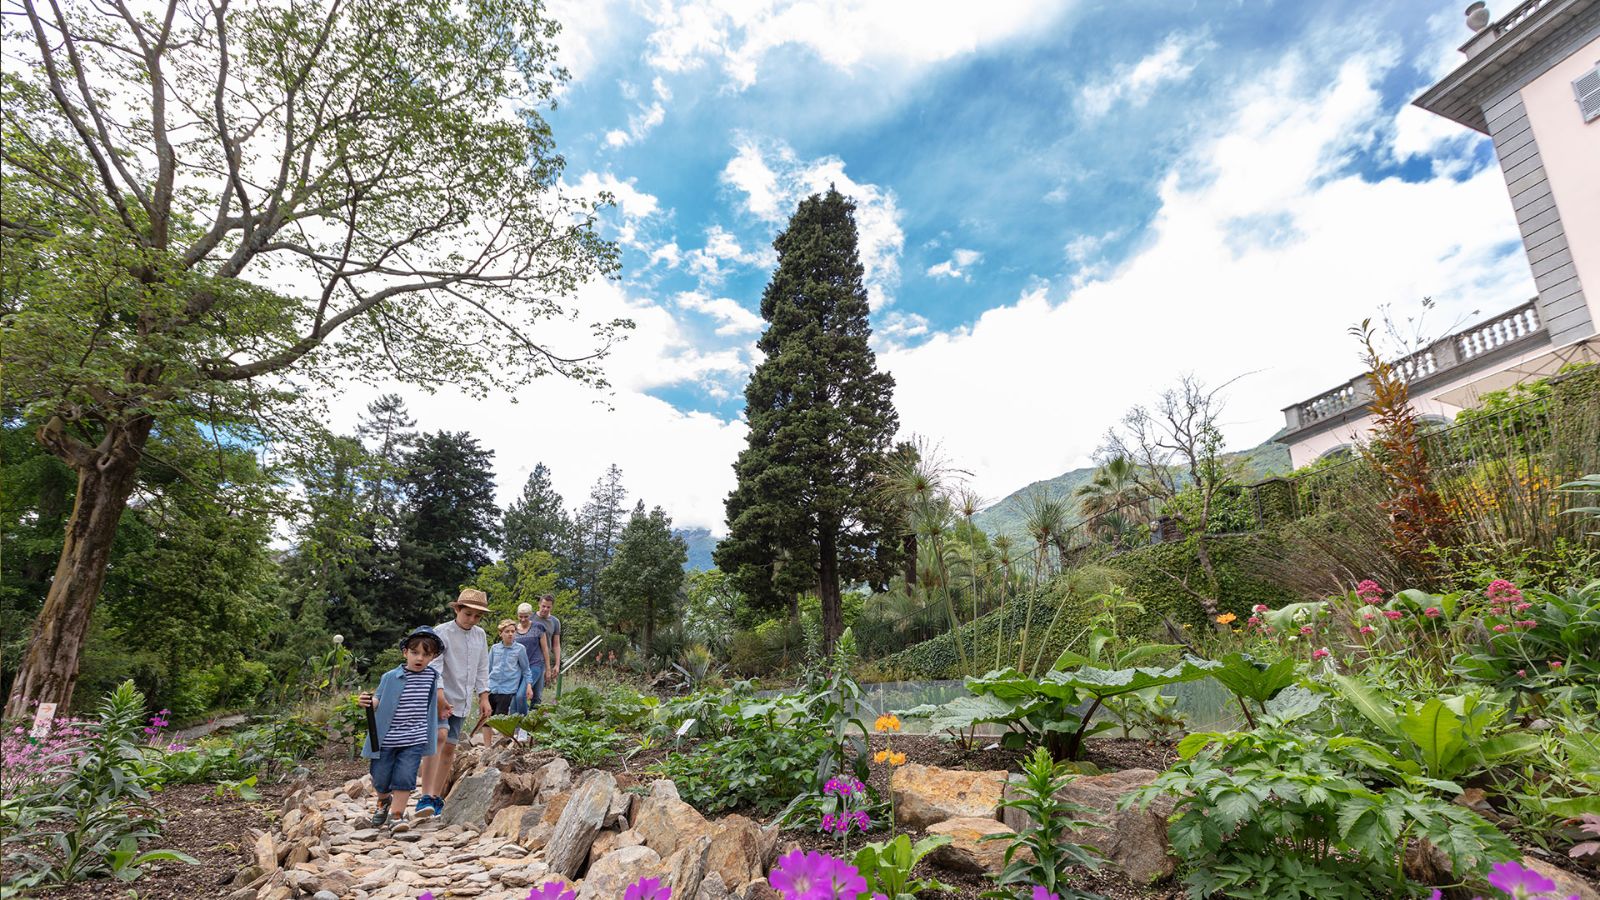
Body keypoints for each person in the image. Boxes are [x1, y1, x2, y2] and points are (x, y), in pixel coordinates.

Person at [413, 589, 491, 819]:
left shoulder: (480, 635)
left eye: (477, 616)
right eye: (468, 614)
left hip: (462, 699)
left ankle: (436, 797)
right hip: (441, 696)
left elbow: (482, 667)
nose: (472, 619)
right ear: (457, 609)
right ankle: (425, 796)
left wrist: (483, 696)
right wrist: (439, 698)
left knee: (450, 747)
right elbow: (434, 667)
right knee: (438, 738)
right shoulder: (442, 633)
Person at [358, 626, 444, 832]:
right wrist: (369, 702)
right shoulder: (390, 676)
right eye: (415, 652)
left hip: (414, 738)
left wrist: (444, 710)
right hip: (387, 738)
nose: (419, 658)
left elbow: (433, 702)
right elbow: (378, 699)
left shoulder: (432, 677)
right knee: (380, 777)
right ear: (405, 652)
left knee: (405, 777)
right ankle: (383, 801)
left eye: (426, 654)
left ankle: (397, 815)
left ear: (433, 657)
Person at [485, 619, 530, 741]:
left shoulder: (520, 649)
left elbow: (526, 669)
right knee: (486, 718)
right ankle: (487, 747)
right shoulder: (494, 648)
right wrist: (483, 687)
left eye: (513, 631)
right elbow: (488, 668)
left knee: (501, 718)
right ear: (501, 633)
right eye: (507, 631)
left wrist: (529, 686)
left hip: (507, 689)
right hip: (492, 687)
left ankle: (505, 744)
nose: (510, 634)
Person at [523, 593, 561, 705]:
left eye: (548, 607)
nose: (545, 609)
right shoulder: (530, 618)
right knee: (523, 692)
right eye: (543, 606)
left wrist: (557, 664)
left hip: (543, 661)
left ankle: (534, 715)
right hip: (527, 659)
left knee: (537, 696)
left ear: (552, 607)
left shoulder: (555, 622)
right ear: (539, 604)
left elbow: (556, 644)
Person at [509, 602, 539, 715]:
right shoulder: (514, 630)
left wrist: (548, 668)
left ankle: (524, 720)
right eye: (520, 616)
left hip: (534, 664)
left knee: (521, 695)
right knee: (513, 698)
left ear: (530, 615)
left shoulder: (538, 627)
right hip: (518, 666)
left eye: (525, 616)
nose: (522, 619)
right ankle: (513, 722)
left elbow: (545, 648)